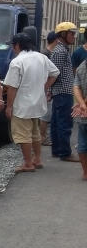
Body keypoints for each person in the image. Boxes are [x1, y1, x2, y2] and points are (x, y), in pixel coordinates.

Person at [4, 33, 59, 173]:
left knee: (23, 135)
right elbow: (55, 73)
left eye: (13, 45)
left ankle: (28, 163)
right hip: (38, 102)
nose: (13, 48)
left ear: (17, 45)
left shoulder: (17, 61)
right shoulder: (42, 57)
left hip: (22, 105)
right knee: (35, 133)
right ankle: (37, 159)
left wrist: (9, 106)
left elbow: (12, 87)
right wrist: (44, 87)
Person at [49, 21, 79, 162]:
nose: (73, 36)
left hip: (60, 91)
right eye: (71, 34)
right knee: (64, 123)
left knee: (57, 122)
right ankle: (65, 153)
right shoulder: (61, 51)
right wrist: (48, 89)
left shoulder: (61, 50)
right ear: (63, 34)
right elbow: (54, 73)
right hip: (63, 91)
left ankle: (57, 150)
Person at [40, 31, 59, 145]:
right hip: (46, 87)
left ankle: (44, 136)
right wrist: (47, 89)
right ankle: (42, 137)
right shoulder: (45, 54)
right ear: (56, 40)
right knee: (45, 115)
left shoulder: (48, 52)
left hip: (50, 87)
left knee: (48, 114)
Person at [71, 60, 87, 179]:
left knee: (82, 143)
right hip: (83, 110)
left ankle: (86, 172)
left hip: (83, 113)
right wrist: (83, 104)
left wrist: (81, 103)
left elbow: (76, 87)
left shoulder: (82, 66)